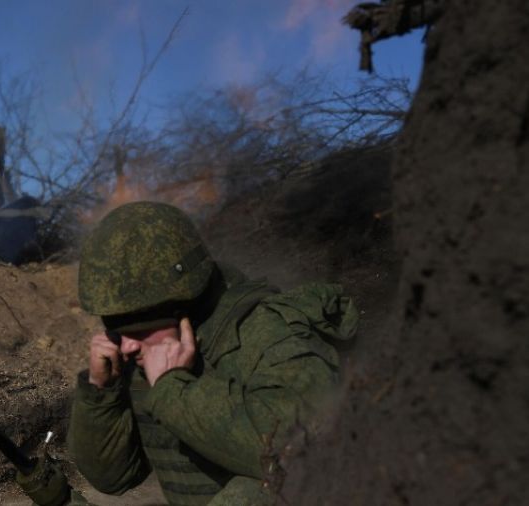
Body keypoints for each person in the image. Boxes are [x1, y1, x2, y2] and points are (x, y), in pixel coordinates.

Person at [67, 201, 358, 505]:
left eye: (141, 329)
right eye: (116, 330)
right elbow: (114, 478)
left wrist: (173, 390)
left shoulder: (268, 333)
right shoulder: (139, 354)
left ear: (184, 308)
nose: (126, 346)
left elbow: (294, 453)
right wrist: (101, 393)